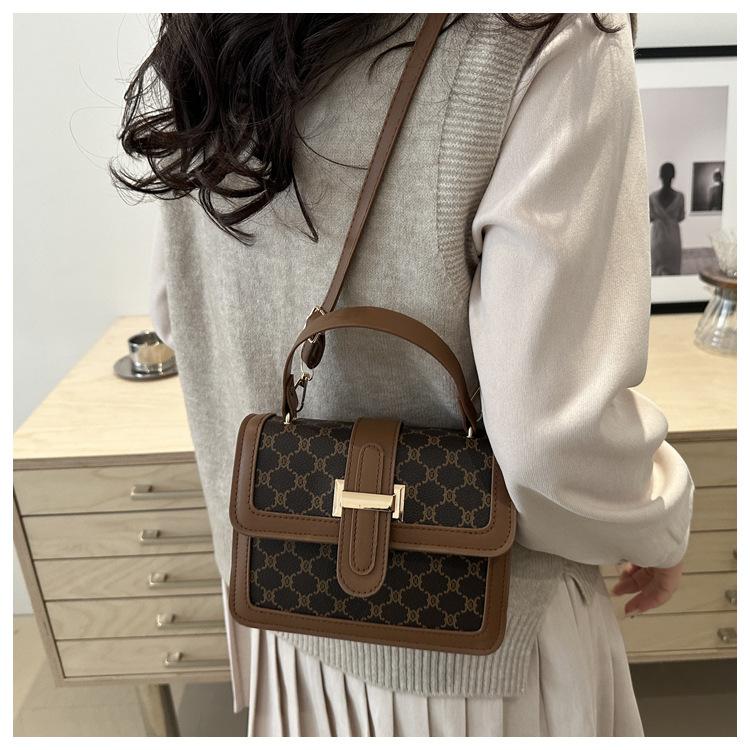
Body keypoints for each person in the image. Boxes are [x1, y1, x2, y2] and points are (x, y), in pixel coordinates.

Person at [114, 13, 694, 737]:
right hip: (473, 658)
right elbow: (554, 445)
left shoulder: (209, 30)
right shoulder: (542, 35)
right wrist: (655, 522)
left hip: (283, 606)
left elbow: (176, 311)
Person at [649, 162, 685, 275]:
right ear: (673, 176)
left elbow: (650, 217)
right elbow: (681, 217)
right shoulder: (680, 197)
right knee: (673, 271)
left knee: (656, 270)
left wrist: (660, 218)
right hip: (673, 238)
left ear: (660, 176)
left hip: (658, 237)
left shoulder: (652, 197)